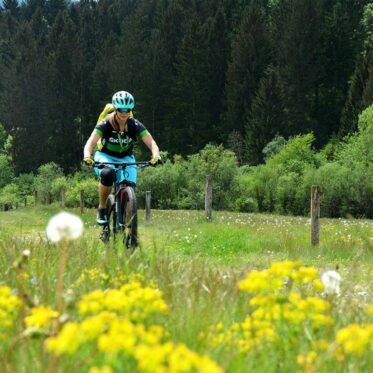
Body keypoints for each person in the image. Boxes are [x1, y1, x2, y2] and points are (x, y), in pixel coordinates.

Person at [83, 90, 162, 225]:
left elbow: (151, 142)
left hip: (126, 157)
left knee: (130, 187)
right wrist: (87, 156)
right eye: (121, 109)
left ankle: (127, 222)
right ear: (115, 108)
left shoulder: (134, 124)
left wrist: (156, 155)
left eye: (127, 109)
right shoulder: (105, 123)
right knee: (108, 174)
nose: (124, 113)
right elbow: (90, 142)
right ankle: (102, 208)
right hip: (105, 155)